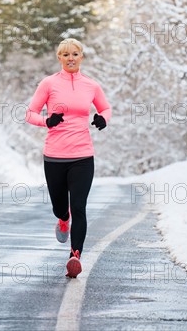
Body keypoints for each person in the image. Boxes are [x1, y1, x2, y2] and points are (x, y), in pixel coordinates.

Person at [25, 38, 111, 278]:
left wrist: (103, 118)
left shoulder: (91, 85)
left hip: (83, 156)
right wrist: (46, 121)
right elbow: (30, 113)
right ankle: (63, 220)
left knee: (80, 206)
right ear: (59, 58)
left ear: (82, 57)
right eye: (65, 55)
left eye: (75, 54)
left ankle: (75, 256)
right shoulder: (49, 83)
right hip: (54, 156)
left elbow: (105, 108)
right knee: (60, 207)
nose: (70, 58)